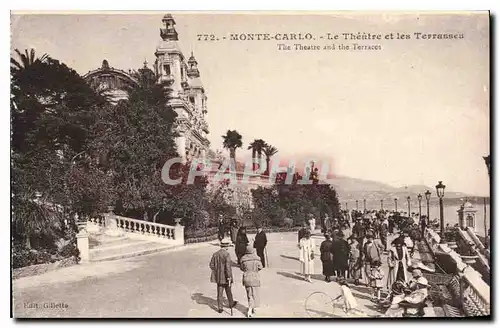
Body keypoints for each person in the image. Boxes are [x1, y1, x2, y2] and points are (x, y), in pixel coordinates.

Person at [209, 237, 238, 313]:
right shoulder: (227, 254)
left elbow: (211, 265)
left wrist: (217, 270)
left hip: (218, 277)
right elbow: (228, 268)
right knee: (228, 291)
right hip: (225, 277)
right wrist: (229, 277)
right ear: (226, 246)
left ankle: (220, 308)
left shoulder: (215, 254)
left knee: (219, 292)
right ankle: (231, 303)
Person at [240, 245, 263, 317]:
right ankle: (251, 309)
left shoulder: (243, 259)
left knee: (249, 294)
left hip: (246, 277)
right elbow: (260, 267)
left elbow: (242, 268)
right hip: (255, 277)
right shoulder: (257, 259)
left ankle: (251, 307)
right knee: (255, 294)